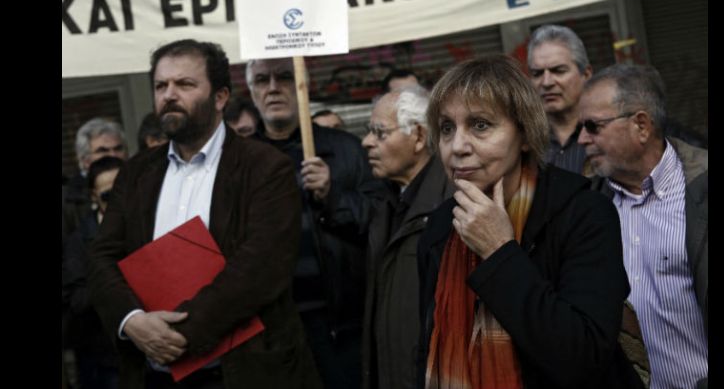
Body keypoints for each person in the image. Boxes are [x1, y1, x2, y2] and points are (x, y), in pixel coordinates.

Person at [88, 39, 320, 389]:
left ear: (220, 97)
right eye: (161, 85)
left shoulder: (265, 167)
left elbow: (259, 268)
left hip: (245, 372)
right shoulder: (135, 173)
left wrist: (175, 335)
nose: (169, 95)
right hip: (153, 373)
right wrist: (131, 320)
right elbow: (102, 256)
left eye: (185, 84)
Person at [416, 55, 643, 389]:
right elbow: (426, 350)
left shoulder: (583, 212)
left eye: (480, 125)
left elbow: (583, 356)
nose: (457, 146)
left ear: (524, 134)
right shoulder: (439, 226)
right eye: (447, 128)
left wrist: (499, 251)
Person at [247, 57, 384, 389]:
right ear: (251, 91)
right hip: (275, 330)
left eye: (285, 77)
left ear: (304, 86)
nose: (274, 88)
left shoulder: (345, 149)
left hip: (342, 326)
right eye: (262, 80)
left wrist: (332, 195)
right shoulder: (240, 160)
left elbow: (381, 221)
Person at [578, 64, 708, 389]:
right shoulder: (587, 205)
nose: (582, 139)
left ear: (641, 125)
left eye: (594, 126)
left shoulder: (702, 188)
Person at [360, 86, 452, 389]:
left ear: (420, 137)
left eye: (380, 132)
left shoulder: (452, 204)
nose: (367, 142)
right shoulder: (385, 203)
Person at [63, 156, 125, 389]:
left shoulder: (148, 225)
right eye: (109, 196)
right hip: (107, 361)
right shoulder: (79, 242)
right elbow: (77, 301)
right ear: (93, 197)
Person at [527, 25, 593, 174]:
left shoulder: (606, 132)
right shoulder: (525, 142)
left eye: (558, 71)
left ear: (586, 74)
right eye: (537, 73)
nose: (547, 82)